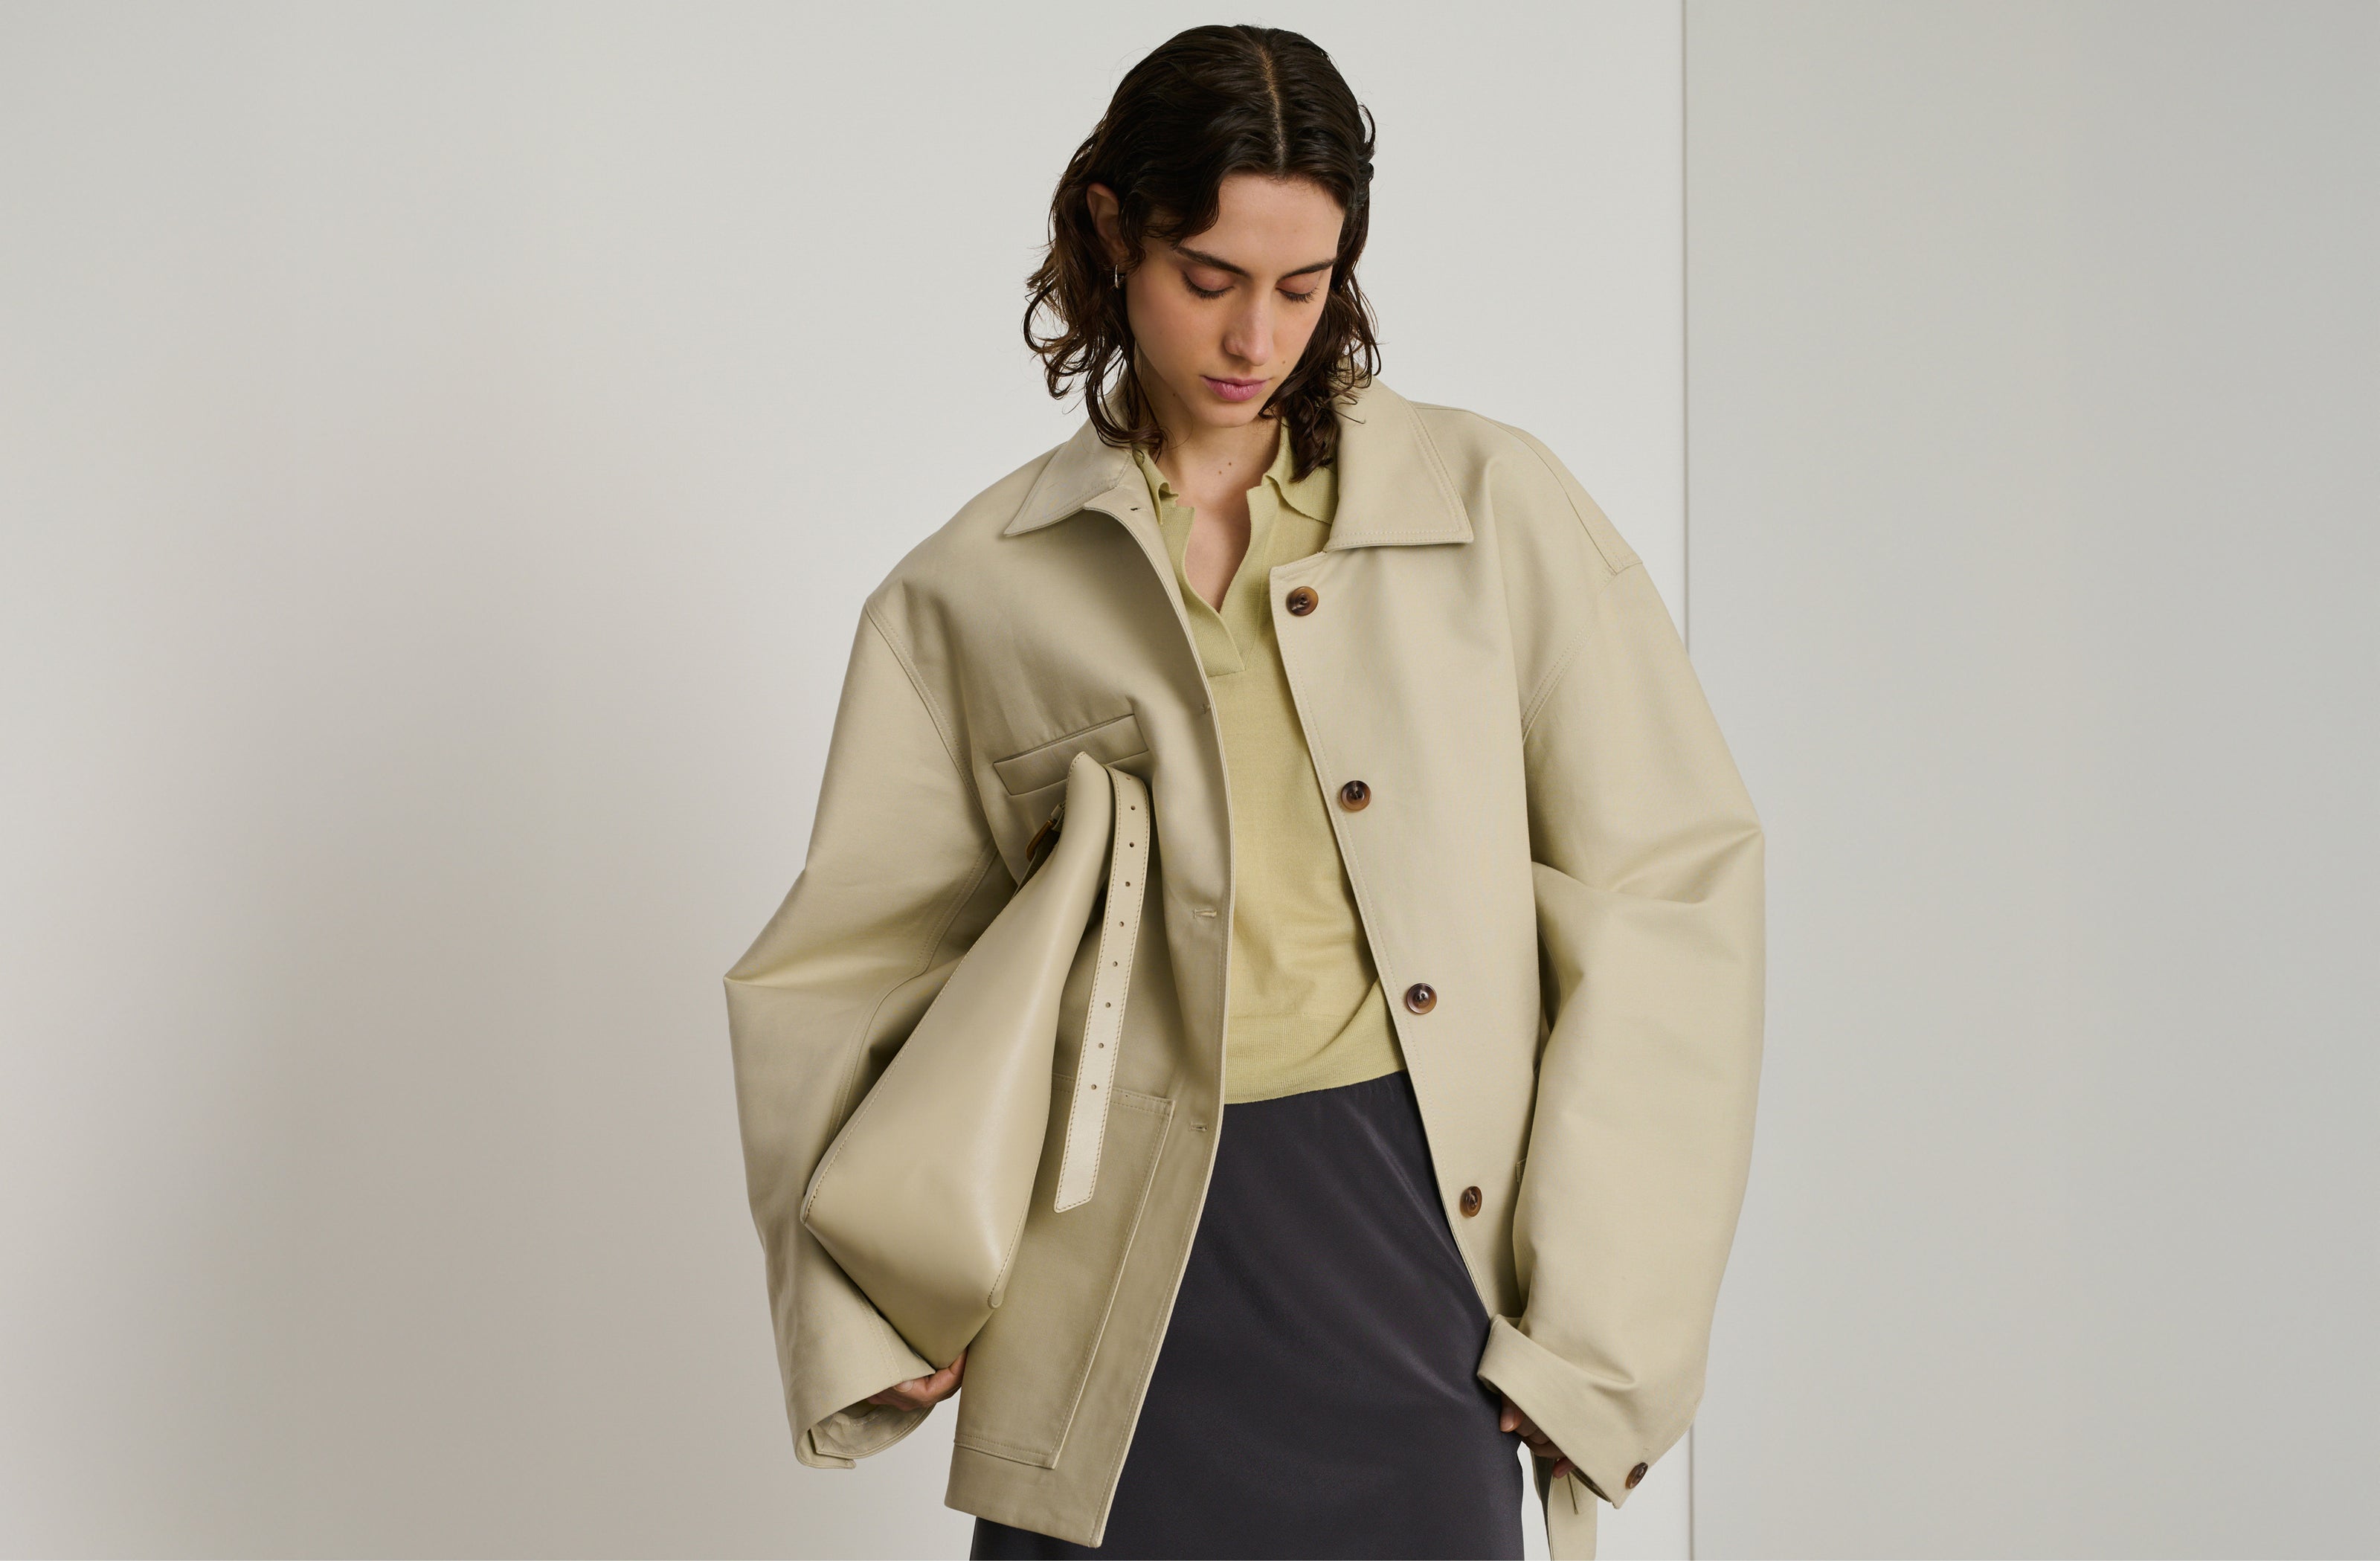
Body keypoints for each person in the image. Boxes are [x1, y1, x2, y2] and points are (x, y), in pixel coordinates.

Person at [724, 24, 1765, 1561]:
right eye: (1207, 276)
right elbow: (840, 968)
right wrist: (862, 1307)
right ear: (1111, 231)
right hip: (1101, 1278)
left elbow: (1669, 897)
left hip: (1407, 1238)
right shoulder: (971, 594)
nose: (1253, 335)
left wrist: (1605, 1334)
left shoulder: (1496, 512)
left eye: (1301, 284)